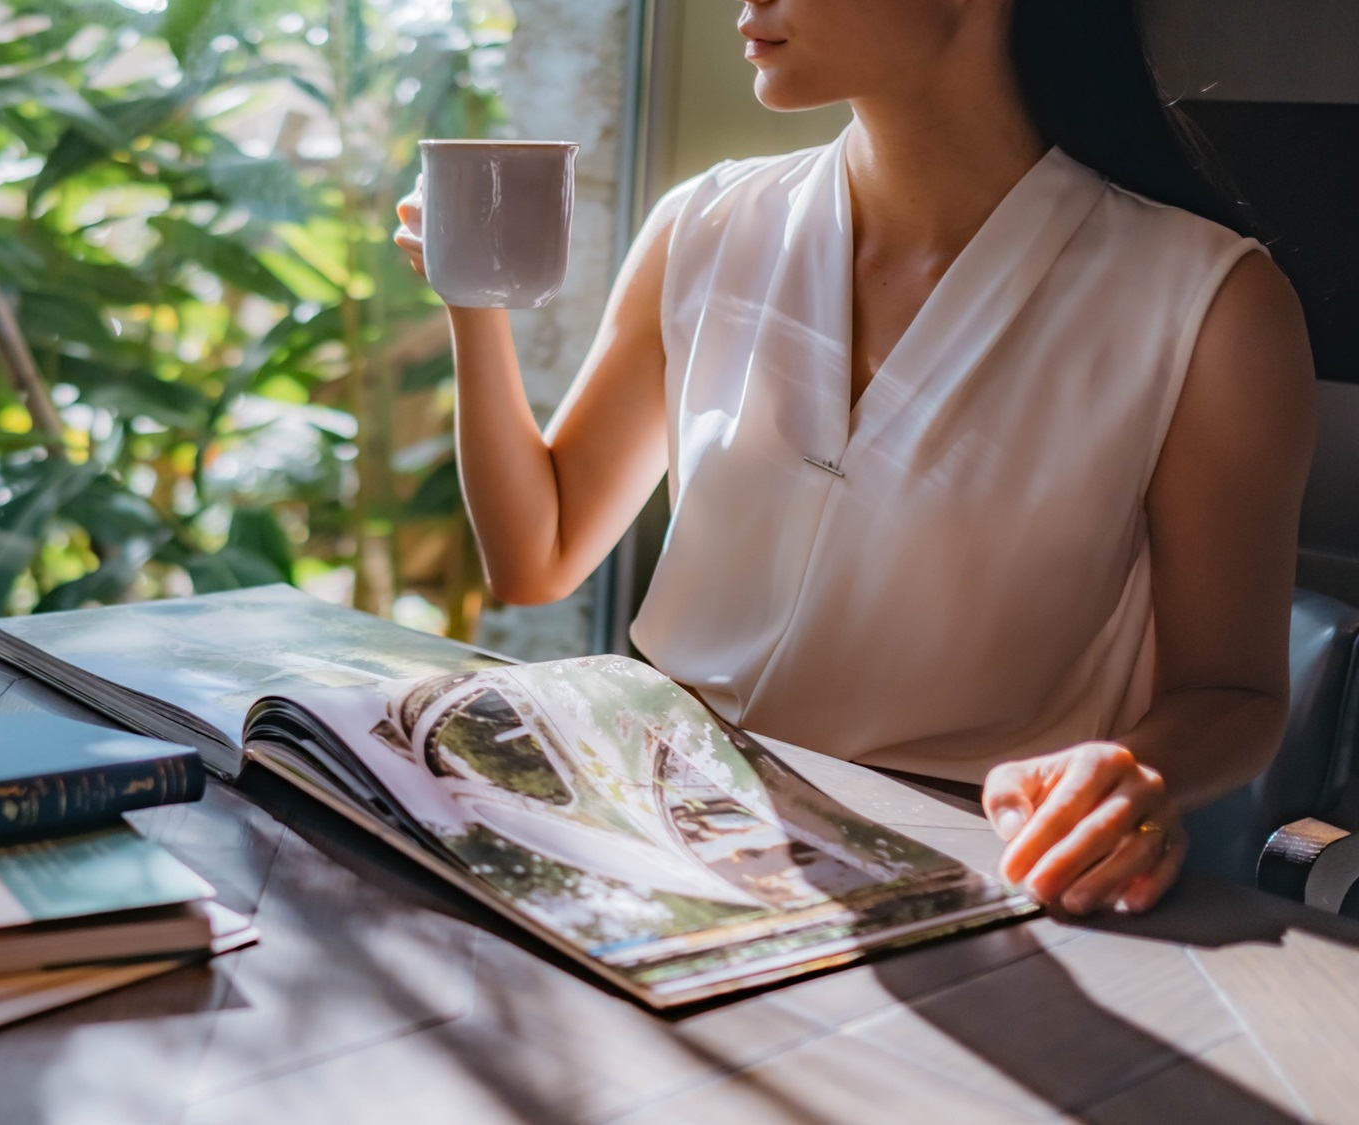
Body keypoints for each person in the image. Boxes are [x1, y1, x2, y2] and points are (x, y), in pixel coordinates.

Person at [392, 0, 1316, 916]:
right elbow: (535, 554)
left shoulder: (1208, 305)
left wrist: (1129, 774)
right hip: (653, 837)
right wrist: (471, 297)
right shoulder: (703, 226)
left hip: (966, 880)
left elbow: (1231, 694)